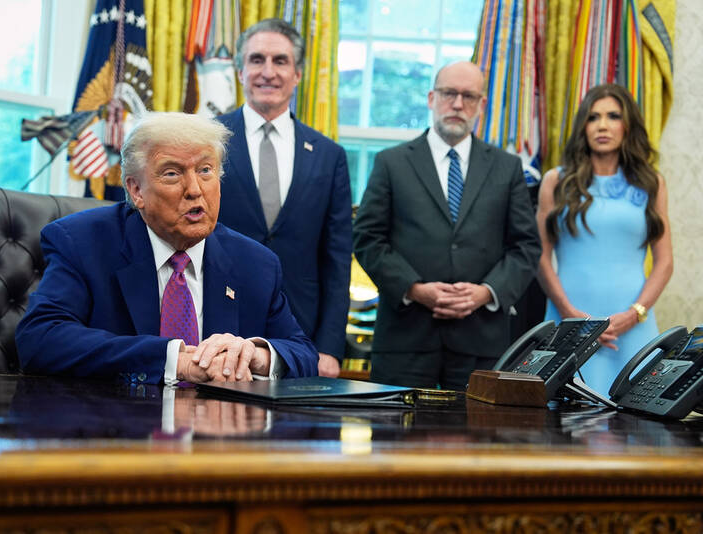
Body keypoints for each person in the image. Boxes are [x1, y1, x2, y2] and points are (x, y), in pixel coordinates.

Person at [16, 112, 319, 384]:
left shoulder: (255, 263)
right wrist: (174, 360)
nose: (195, 190)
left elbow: (303, 353)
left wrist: (257, 355)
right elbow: (41, 339)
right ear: (136, 190)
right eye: (172, 173)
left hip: (219, 437)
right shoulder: (83, 242)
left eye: (205, 170)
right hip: (113, 431)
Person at [353, 61, 541, 390]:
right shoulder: (392, 163)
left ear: (482, 105)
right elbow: (367, 239)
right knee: (398, 439)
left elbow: (526, 247)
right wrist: (414, 289)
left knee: (475, 440)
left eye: (468, 96)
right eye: (448, 93)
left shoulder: (507, 168)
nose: (457, 104)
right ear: (430, 98)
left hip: (481, 342)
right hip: (405, 340)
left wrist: (486, 293)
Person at [216, 18, 352, 378]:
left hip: (301, 338)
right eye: (257, 60)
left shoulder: (328, 154)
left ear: (298, 73)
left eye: (280, 61)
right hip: (216, 328)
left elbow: (337, 259)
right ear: (240, 70)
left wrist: (329, 346)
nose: (268, 72)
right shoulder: (208, 143)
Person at [537, 84, 673, 395]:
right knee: (564, 428)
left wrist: (634, 314)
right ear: (583, 126)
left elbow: (665, 262)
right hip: (568, 323)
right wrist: (572, 317)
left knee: (636, 428)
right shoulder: (556, 181)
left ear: (628, 125)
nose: (602, 125)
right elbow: (540, 257)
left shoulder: (652, 183)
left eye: (613, 116)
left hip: (633, 326)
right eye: (593, 117)